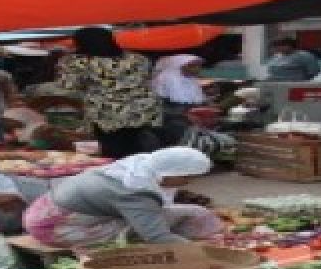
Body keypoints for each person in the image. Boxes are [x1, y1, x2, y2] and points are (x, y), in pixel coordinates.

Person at [23, 147, 222, 248]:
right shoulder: (135, 191)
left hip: (44, 211)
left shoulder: (141, 165)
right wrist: (202, 251)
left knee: (196, 213)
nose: (188, 183)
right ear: (172, 173)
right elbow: (157, 237)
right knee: (139, 232)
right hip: (54, 227)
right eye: (187, 177)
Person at [56, 27, 161, 159]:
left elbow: (68, 85)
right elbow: (146, 77)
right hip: (142, 109)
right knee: (135, 144)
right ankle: (140, 170)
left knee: (112, 148)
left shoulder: (78, 62)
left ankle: (119, 174)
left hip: (107, 112)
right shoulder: (138, 58)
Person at [151, 54, 207, 146]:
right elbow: (159, 109)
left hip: (189, 119)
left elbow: (197, 102)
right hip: (169, 123)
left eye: (199, 65)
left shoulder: (192, 81)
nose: (198, 69)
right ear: (179, 66)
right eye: (193, 65)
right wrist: (184, 115)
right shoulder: (165, 80)